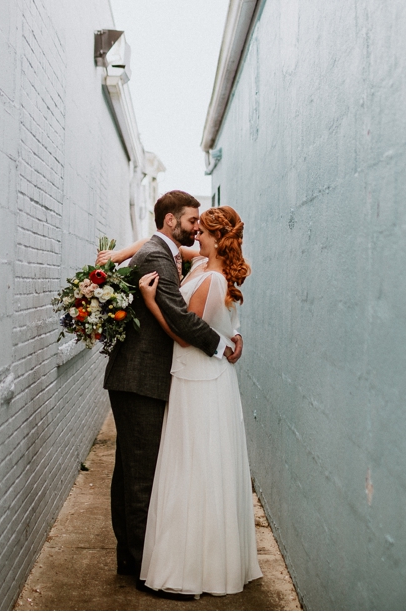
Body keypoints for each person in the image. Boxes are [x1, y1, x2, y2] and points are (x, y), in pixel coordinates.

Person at [105, 205, 261, 597]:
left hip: (196, 375)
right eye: (191, 224)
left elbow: (186, 331)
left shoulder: (210, 276)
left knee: (187, 469)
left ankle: (166, 563)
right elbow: (158, 243)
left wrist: (152, 301)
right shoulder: (197, 258)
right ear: (174, 221)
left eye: (201, 228)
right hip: (186, 376)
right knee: (151, 470)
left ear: (213, 236)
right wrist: (122, 253)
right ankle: (137, 559)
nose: (195, 234)